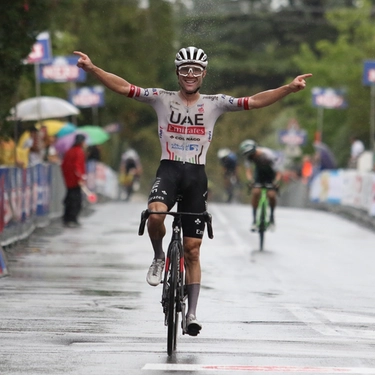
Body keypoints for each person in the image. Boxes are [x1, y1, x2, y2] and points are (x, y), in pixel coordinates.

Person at [74, 47, 312, 336]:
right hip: (169, 170)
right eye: (185, 69)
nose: (190, 75)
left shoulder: (216, 103)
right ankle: (159, 256)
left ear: (204, 74)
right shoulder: (161, 98)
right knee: (155, 215)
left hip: (196, 176)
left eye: (196, 70)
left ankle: (192, 314)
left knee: (193, 250)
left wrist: (288, 88)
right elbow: (125, 87)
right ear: (177, 72)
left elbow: (255, 101)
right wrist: (93, 69)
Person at [239, 140, 282, 231]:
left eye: (252, 154)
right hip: (259, 174)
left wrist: (276, 181)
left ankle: (271, 217)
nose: (251, 156)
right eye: (248, 155)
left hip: (271, 174)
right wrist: (251, 180)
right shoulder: (249, 157)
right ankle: (254, 220)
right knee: (255, 192)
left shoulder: (268, 155)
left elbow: (278, 172)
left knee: (271, 195)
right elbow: (249, 171)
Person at [61, 134, 87, 228]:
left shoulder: (69, 151)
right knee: (76, 200)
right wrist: (80, 178)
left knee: (69, 199)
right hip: (75, 181)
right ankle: (72, 218)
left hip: (69, 180)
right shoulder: (79, 151)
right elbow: (78, 166)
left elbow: (63, 165)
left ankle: (66, 217)